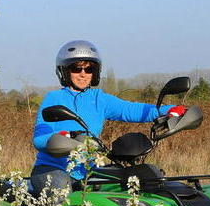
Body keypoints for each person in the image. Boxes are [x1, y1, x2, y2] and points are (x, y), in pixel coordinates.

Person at [30, 40, 186, 196]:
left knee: (126, 191)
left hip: (89, 170)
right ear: (65, 71)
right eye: (76, 68)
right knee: (62, 199)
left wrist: (168, 110)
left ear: (95, 72)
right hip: (53, 168)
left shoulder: (99, 99)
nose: (83, 74)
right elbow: (39, 138)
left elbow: (130, 109)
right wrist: (61, 138)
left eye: (89, 69)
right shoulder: (53, 98)